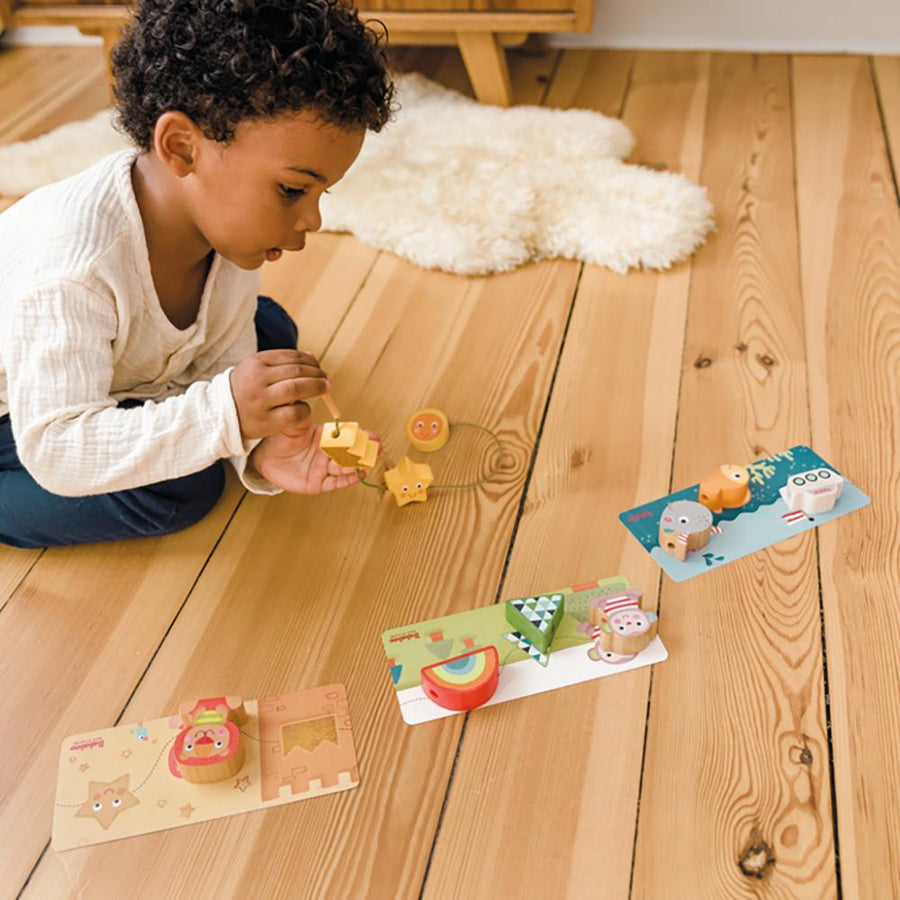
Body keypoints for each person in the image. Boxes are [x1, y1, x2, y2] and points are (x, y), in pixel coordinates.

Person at [0, 0, 395, 548]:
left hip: (119, 366)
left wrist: (258, 445)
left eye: (319, 193)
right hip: (23, 413)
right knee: (185, 487)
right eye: (291, 190)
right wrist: (225, 415)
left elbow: (224, 356)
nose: (313, 220)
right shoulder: (73, 268)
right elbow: (56, 448)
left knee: (271, 337)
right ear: (182, 148)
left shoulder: (222, 234)